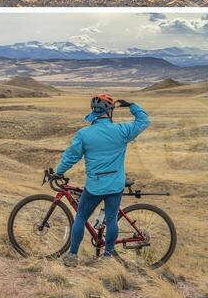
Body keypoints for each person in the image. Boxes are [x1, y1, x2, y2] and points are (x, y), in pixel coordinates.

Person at [52, 94, 151, 267]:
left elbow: (70, 157)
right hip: (115, 185)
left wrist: (59, 172)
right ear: (110, 111)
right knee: (111, 219)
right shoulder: (121, 130)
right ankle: (107, 258)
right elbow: (143, 121)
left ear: (93, 111)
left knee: (81, 217)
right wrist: (132, 105)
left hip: (94, 186)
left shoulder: (84, 134)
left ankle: (72, 256)